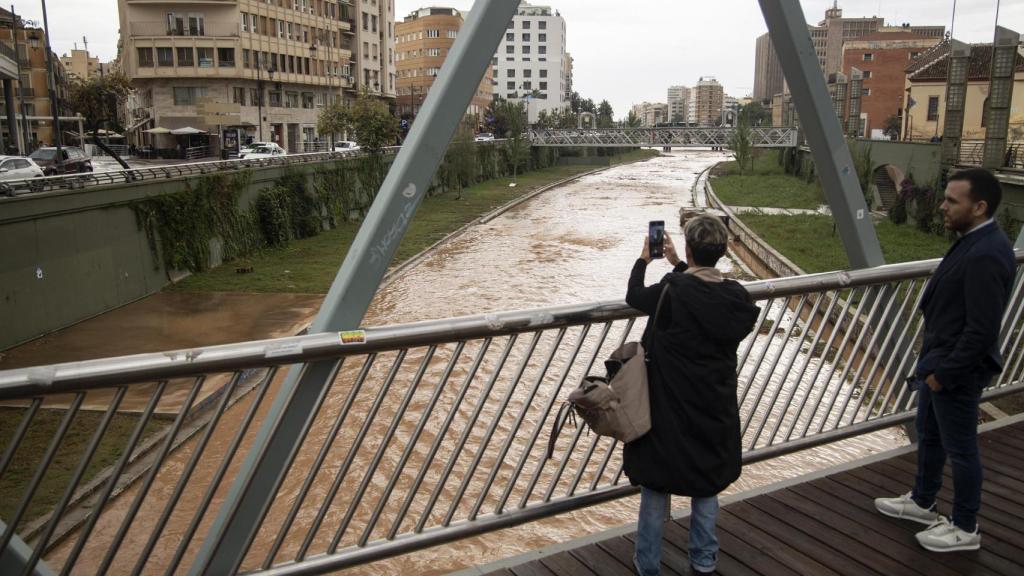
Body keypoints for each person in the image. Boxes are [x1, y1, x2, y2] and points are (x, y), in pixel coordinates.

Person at [874, 168, 1016, 552]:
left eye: (953, 201)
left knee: (963, 450)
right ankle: (923, 501)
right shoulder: (974, 239)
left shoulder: (987, 252)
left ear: (979, 206)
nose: (943, 207)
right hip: (940, 361)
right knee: (932, 436)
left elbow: (982, 330)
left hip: (956, 370)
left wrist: (942, 375)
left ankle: (965, 527)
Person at [624, 215, 759, 575]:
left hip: (668, 407)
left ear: (688, 248)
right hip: (714, 408)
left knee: (656, 483)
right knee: (706, 482)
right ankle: (703, 561)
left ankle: (648, 565)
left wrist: (644, 259)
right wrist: (679, 264)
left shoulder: (672, 290)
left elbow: (634, 295)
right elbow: (704, 295)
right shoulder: (736, 298)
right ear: (723, 251)